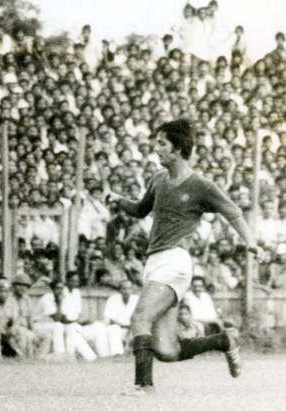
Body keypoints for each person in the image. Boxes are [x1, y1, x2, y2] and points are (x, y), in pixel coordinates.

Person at [106, 119, 259, 394]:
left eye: (162, 143)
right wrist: (119, 201)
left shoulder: (201, 185)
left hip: (174, 261)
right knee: (167, 350)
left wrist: (250, 242)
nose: (156, 149)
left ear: (178, 149)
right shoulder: (157, 180)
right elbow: (141, 210)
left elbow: (233, 211)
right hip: (154, 262)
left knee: (140, 317)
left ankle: (143, 386)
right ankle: (225, 341)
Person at [104, 279, 138, 356]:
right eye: (124, 288)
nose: (126, 291)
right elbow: (110, 320)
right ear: (120, 290)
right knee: (113, 329)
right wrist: (125, 326)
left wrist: (131, 328)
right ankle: (118, 354)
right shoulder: (113, 299)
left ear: (132, 290)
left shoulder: (136, 299)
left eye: (129, 288)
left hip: (133, 330)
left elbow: (140, 318)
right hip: (118, 329)